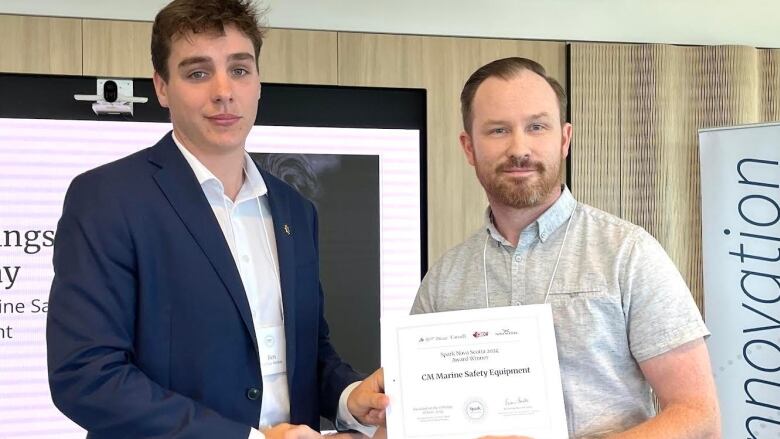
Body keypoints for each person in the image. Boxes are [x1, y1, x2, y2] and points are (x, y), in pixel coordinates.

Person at [46, 1, 386, 438]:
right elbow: (86, 377)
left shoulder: (294, 210)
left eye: (240, 70)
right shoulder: (107, 199)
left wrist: (349, 397)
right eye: (198, 73)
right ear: (162, 87)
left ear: (258, 82)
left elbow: (305, 353)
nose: (224, 90)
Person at [411, 57, 721, 438]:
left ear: (564, 139)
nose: (519, 147)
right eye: (497, 130)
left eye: (537, 126)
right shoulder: (444, 280)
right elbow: (412, 416)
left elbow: (699, 417)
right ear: (469, 147)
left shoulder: (628, 253)